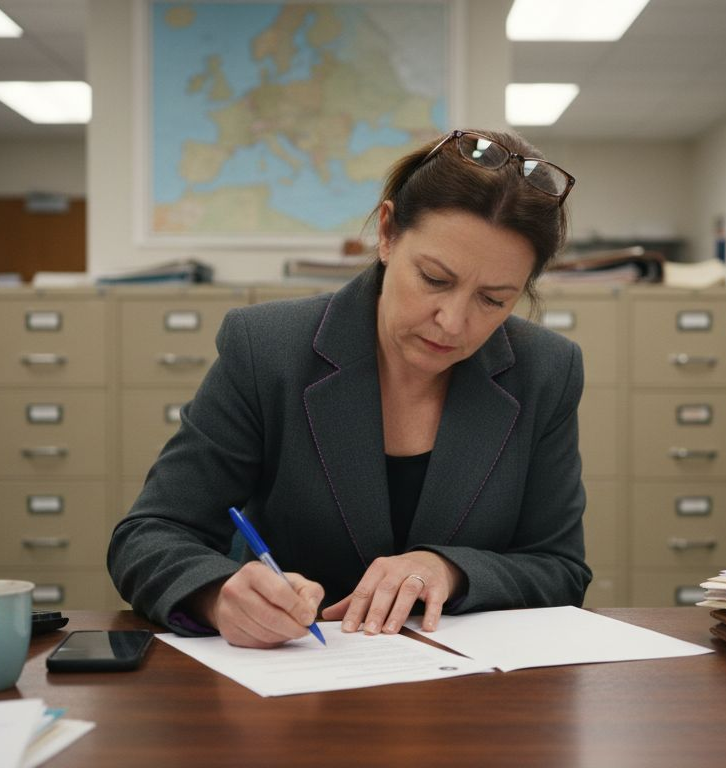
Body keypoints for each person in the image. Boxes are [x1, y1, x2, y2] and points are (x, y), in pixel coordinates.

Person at [108, 129, 589, 648]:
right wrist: (219, 594)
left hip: (465, 692)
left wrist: (450, 570)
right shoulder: (267, 350)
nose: (452, 322)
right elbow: (150, 534)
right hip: (293, 679)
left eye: (494, 300)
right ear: (387, 234)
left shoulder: (545, 370)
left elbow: (560, 568)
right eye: (433, 279)